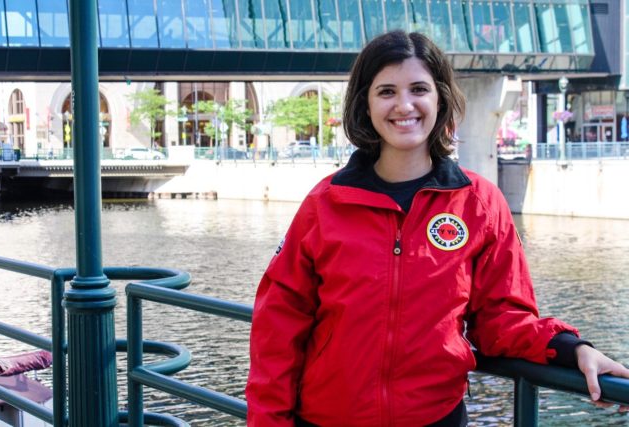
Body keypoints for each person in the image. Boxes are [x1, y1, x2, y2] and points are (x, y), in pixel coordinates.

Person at [246, 31, 629, 426]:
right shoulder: (326, 204)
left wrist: (571, 348)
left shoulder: (479, 204)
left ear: (441, 98)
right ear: (366, 103)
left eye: (418, 89)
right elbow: (278, 329)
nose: (404, 105)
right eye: (386, 92)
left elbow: (502, 318)